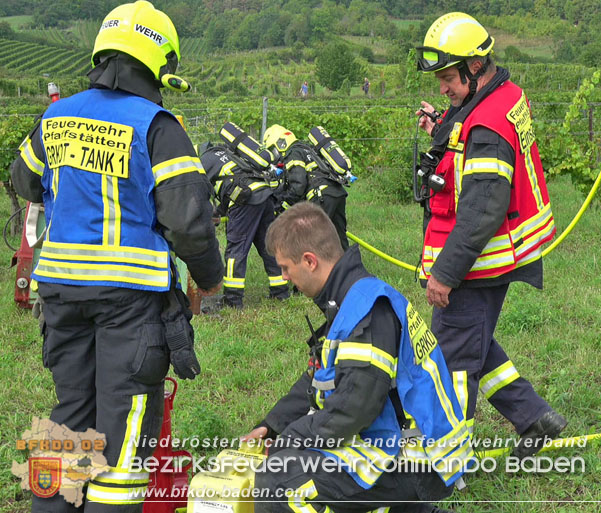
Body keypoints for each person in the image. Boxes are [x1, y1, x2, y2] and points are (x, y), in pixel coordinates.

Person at [10, 1, 224, 510]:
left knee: (69, 416)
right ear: (159, 63)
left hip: (59, 293)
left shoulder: (55, 115)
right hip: (128, 300)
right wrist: (210, 279)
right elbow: (189, 221)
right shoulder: (158, 125)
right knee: (125, 433)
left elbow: (22, 178)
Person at [243, 202, 470, 513]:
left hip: (415, 458)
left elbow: (353, 409)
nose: (284, 277)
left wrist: (292, 438)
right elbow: (320, 377)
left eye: (285, 268)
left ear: (309, 261)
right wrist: (272, 425)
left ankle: (405, 502)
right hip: (400, 444)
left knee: (280, 478)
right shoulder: (351, 298)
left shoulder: (367, 312)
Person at [414, 12, 565, 458]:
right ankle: (534, 418)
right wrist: (441, 124)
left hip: (477, 262)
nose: (442, 87)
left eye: (447, 77)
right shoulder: (500, 96)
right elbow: (466, 128)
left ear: (475, 67)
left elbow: (482, 208)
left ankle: (448, 460)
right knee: (474, 344)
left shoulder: (488, 129)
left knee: (453, 358)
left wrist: (445, 273)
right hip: (492, 258)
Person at [200, 126, 289, 309]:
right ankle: (281, 293)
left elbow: (200, 193)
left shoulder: (202, 162)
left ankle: (232, 300)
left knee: (235, 250)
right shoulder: (228, 154)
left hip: (246, 201)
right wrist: (219, 213)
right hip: (264, 195)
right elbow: (229, 186)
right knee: (268, 247)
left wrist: (205, 215)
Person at [263, 124, 349, 249]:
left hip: (321, 196)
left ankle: (315, 268)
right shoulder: (307, 148)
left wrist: (281, 205)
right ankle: (348, 267)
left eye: (272, 150)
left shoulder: (293, 153)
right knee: (339, 240)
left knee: (311, 242)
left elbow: (298, 186)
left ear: (280, 144)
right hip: (337, 192)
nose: (273, 156)